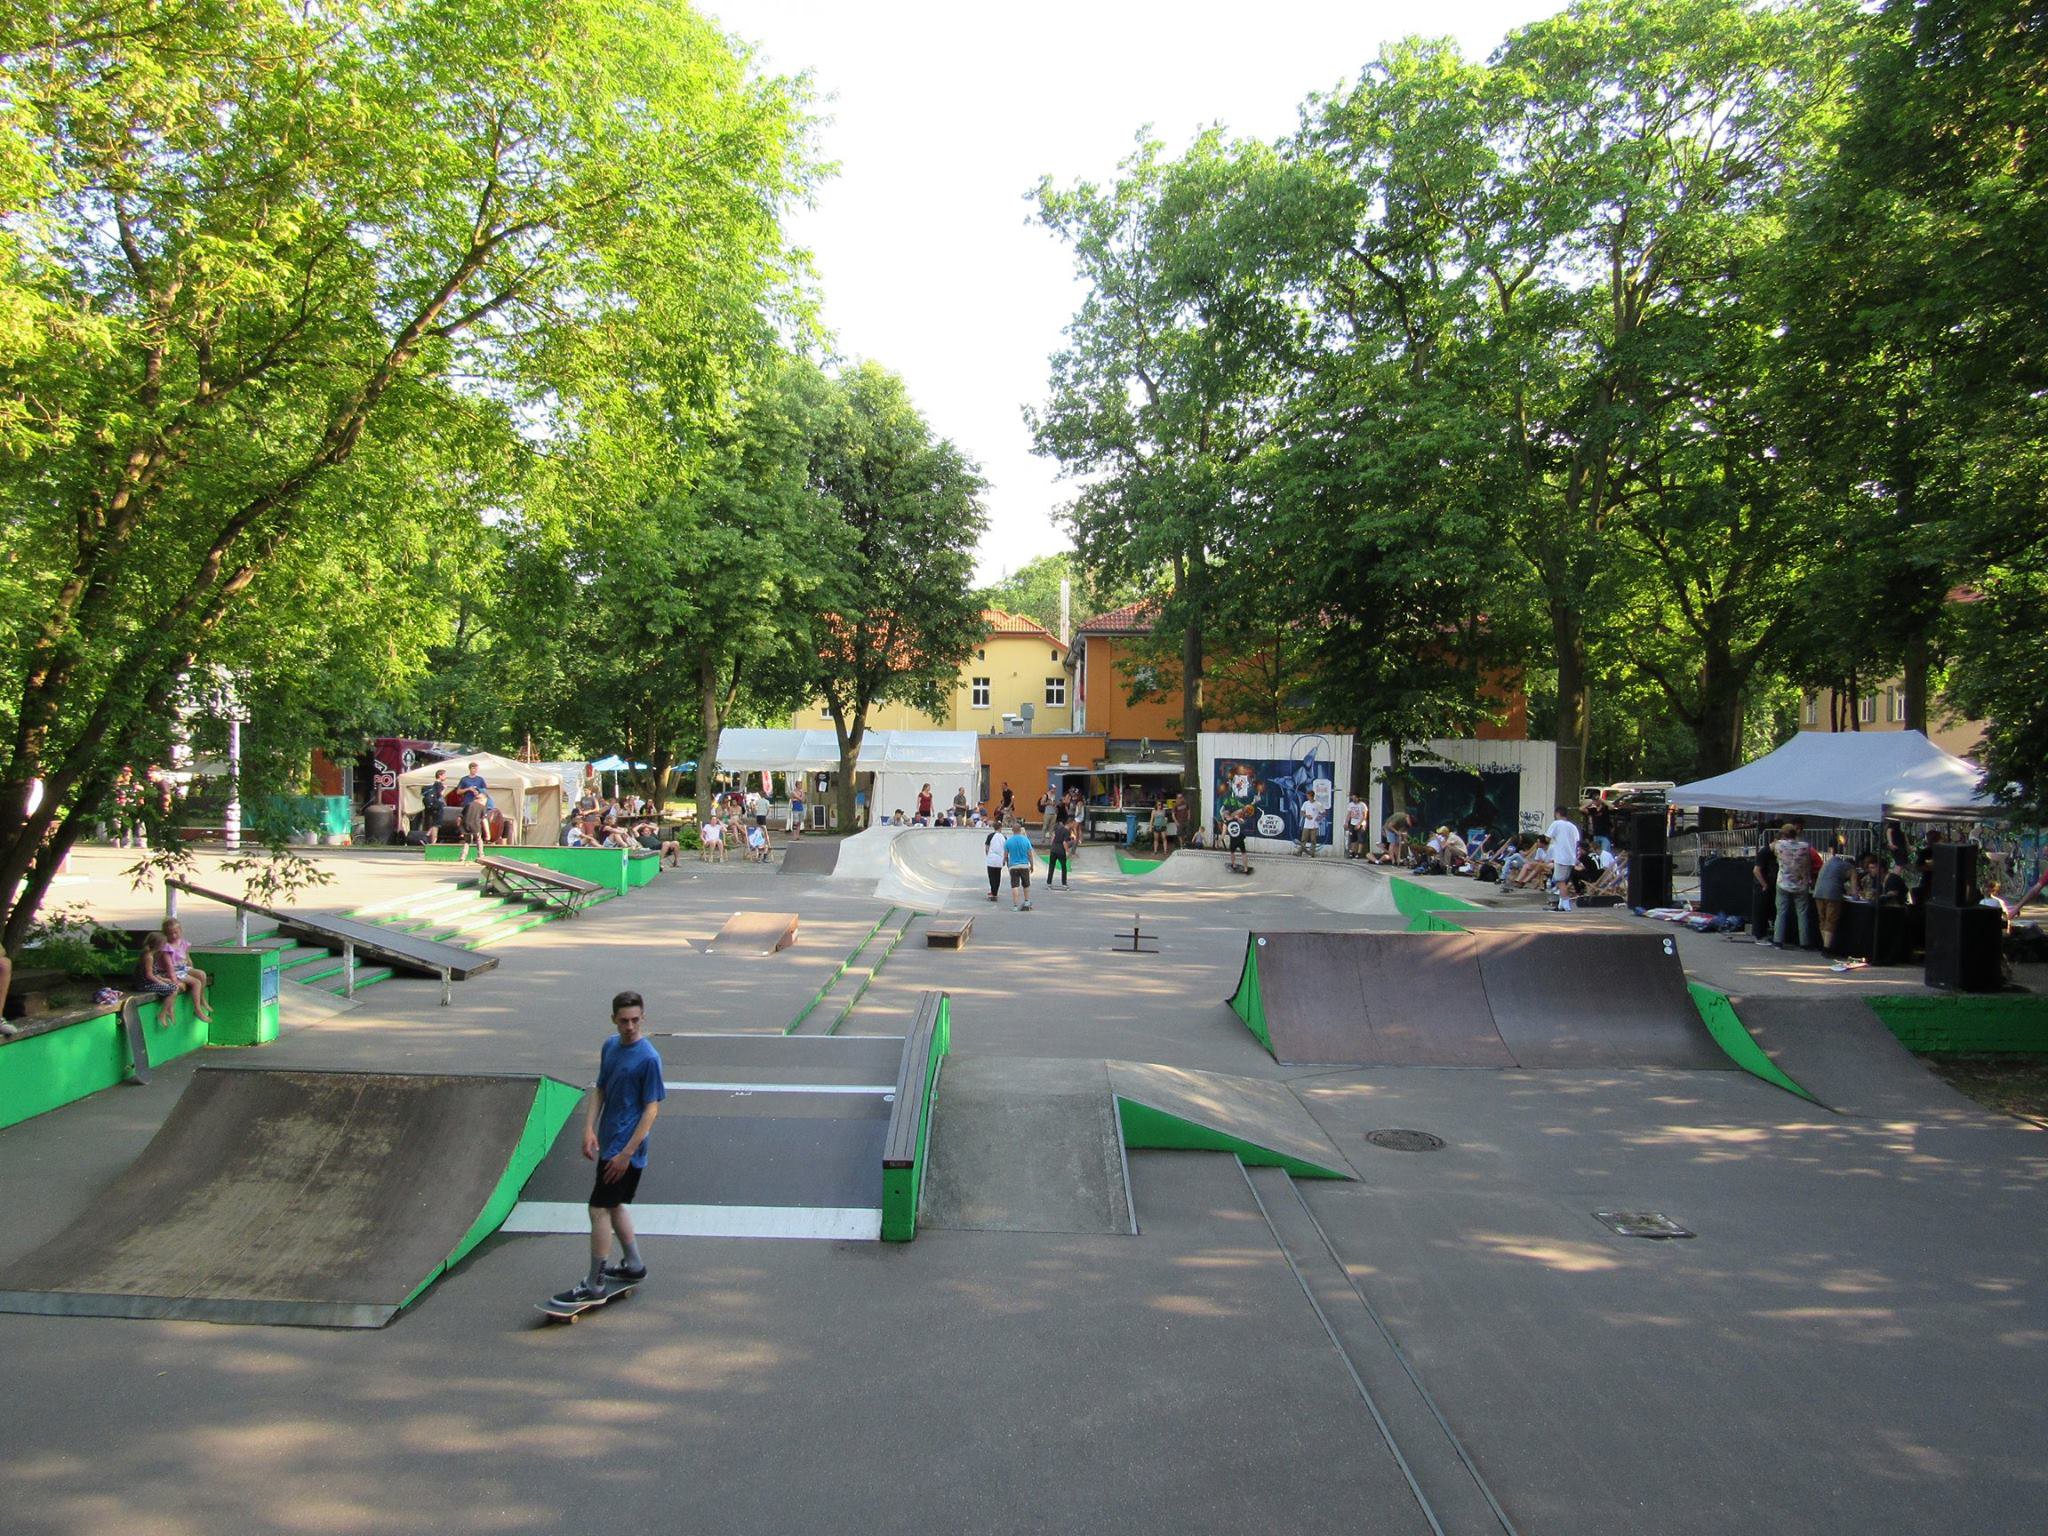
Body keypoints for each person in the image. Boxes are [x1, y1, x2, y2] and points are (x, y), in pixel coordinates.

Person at [551, 991, 665, 1310]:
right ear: (613, 1019)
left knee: (598, 1209)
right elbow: (600, 1089)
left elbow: (651, 1110)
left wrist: (627, 1153)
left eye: (635, 1020)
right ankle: (633, 1265)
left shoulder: (649, 1058)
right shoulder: (610, 1046)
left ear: (643, 1018)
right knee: (613, 1206)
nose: (629, 1026)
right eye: (624, 1020)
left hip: (626, 1151)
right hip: (608, 1143)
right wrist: (588, 1128)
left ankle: (595, 1282)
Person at [1771, 821, 1817, 949]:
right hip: (1801, 883)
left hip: (1783, 883)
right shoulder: (1805, 846)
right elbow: (1809, 862)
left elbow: (1771, 848)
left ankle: (1778, 940)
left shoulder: (1779, 845)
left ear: (1783, 834)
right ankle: (1804, 942)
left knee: (1781, 912)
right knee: (1802, 913)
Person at [160, 918, 212, 1023]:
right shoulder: (167, 947)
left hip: (183, 969)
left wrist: (192, 969)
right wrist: (176, 979)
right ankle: (197, 1010)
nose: (174, 936)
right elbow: (169, 967)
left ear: (180, 931)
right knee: (196, 983)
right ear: (165, 934)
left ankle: (202, 999)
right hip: (173, 972)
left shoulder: (183, 943)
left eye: (176, 932)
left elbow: (187, 958)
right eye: (170, 934)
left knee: (201, 974)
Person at [1814, 837, 1856, 950]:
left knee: (1822, 919)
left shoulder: (1826, 864)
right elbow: (1854, 891)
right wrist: (1854, 894)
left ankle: (1824, 945)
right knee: (1830, 920)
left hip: (1818, 892)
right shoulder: (1850, 868)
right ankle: (1827, 947)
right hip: (1832, 894)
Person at [132, 933, 180, 1021]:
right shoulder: (148, 957)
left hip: (148, 982)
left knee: (173, 985)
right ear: (159, 945)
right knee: (173, 989)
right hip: (144, 985)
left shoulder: (151, 955)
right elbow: (149, 975)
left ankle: (169, 1010)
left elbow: (154, 974)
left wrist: (165, 980)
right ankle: (163, 1013)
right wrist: (162, 983)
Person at [1544, 806, 1581, 911]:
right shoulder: (1573, 826)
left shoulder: (1556, 824)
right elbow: (1577, 841)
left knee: (1560, 881)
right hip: (1571, 857)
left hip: (1561, 857)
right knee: (1564, 880)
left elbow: (1547, 837)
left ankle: (1566, 903)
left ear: (1557, 814)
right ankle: (1560, 904)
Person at [1005, 823, 1034, 911]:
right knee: (1026, 885)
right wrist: (1032, 865)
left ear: (1012, 830)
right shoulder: (1026, 840)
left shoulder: (1008, 841)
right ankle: (1027, 901)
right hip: (1024, 865)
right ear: (1020, 830)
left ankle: (1015, 906)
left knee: (1015, 886)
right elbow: (1029, 854)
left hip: (1013, 866)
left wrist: (1007, 864)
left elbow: (1006, 855)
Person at [1047, 813, 1075, 889]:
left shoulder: (1059, 828)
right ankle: (1064, 883)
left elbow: (1053, 837)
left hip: (1053, 849)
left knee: (1051, 866)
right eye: (1073, 824)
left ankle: (1049, 883)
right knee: (1063, 867)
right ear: (1071, 823)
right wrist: (1067, 852)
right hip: (1060, 851)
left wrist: (1052, 846)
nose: (1074, 825)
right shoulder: (1066, 831)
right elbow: (1064, 842)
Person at [420, 769, 448, 841]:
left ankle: (429, 838)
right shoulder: (439, 784)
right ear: (440, 775)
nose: (445, 777)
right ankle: (428, 838)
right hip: (437, 805)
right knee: (437, 823)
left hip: (430, 805)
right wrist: (445, 789)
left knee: (435, 823)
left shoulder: (434, 784)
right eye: (444, 775)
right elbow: (440, 795)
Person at [983, 825, 1007, 902]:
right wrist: (1005, 859)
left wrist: (987, 855)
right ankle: (995, 891)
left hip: (991, 859)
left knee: (991, 876)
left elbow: (987, 847)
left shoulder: (990, 836)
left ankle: (994, 893)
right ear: (1001, 828)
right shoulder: (1004, 837)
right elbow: (1006, 849)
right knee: (997, 876)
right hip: (1000, 859)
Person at [1297, 790, 1323, 857]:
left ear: (1311, 796)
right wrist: (1306, 816)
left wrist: (1320, 817)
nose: (1307, 797)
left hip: (1314, 825)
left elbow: (1324, 812)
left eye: (1308, 796)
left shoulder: (1318, 804)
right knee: (1303, 839)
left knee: (1313, 840)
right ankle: (1300, 852)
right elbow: (1302, 812)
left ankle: (1312, 853)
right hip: (1306, 824)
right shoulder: (1305, 803)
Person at [1345, 794, 1369, 859]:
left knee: (1360, 838)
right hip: (1353, 823)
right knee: (1353, 838)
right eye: (1352, 798)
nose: (1354, 799)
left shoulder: (1362, 805)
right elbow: (1349, 814)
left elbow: (1365, 816)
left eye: (1355, 798)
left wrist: (1359, 824)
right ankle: (1352, 852)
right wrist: (1346, 822)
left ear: (1358, 798)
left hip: (1361, 823)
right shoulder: (1350, 805)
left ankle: (1359, 853)